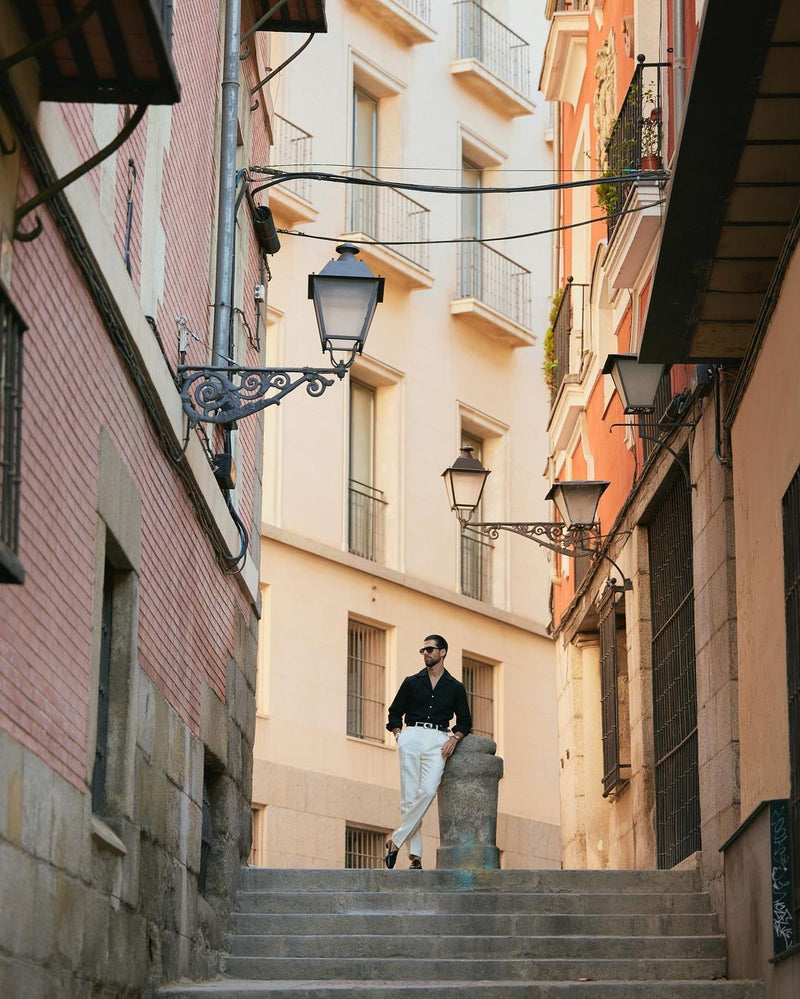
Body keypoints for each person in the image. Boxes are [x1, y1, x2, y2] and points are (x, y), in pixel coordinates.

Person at [384, 634, 472, 870]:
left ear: (442, 652)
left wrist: (455, 738)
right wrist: (399, 736)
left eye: (430, 650)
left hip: (438, 740)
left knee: (428, 790)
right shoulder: (411, 682)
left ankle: (396, 840)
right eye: (423, 650)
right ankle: (415, 858)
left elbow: (465, 721)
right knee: (410, 797)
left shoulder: (455, 687)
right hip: (411, 736)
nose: (425, 654)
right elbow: (394, 713)